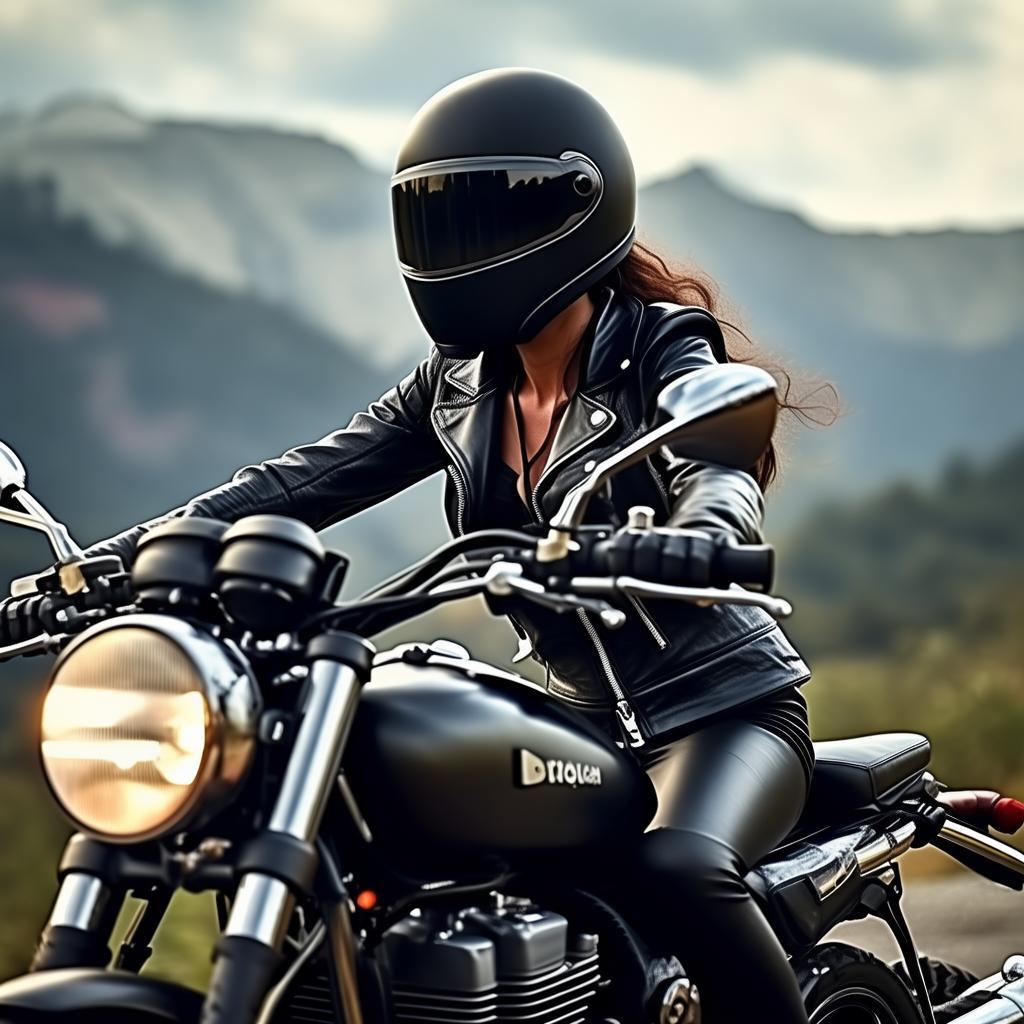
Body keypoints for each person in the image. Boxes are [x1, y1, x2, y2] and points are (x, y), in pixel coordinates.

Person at [41, 70, 826, 1020]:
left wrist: (700, 532)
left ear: (574, 213)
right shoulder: (455, 385)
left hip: (721, 714)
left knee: (678, 865)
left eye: (482, 221)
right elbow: (294, 484)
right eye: (437, 223)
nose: (458, 251)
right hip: (579, 726)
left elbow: (716, 458)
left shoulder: (659, 345)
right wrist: (102, 566)